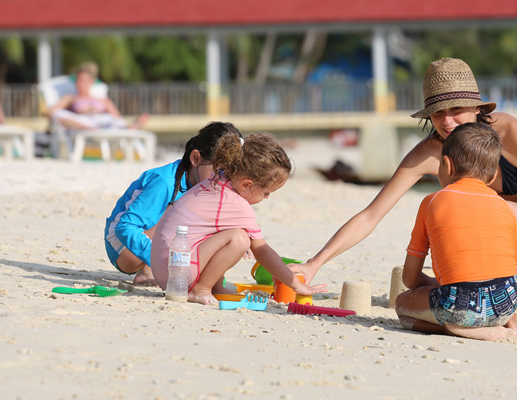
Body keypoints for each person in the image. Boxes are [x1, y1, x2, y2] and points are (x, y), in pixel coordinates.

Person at [293, 58, 517, 324]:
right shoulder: (430, 153)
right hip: (497, 252)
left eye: (456, 110)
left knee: (503, 213)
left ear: (477, 107)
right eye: (437, 113)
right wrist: (313, 264)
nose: (447, 122)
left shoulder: (512, 133)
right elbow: (371, 216)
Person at [150, 132, 327, 305]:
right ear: (246, 184)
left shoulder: (218, 179)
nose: (266, 198)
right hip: (176, 276)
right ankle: (201, 289)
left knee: (229, 233)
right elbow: (262, 251)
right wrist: (295, 284)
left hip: (168, 268)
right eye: (266, 192)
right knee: (239, 239)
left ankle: (215, 286)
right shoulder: (233, 202)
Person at [395, 122, 517, 341]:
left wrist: (444, 282)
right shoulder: (506, 207)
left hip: (459, 304)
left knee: (403, 305)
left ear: (447, 165)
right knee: (496, 290)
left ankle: (457, 329)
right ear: (494, 174)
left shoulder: (431, 202)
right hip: (505, 303)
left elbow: (410, 279)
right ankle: (510, 324)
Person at [105, 122, 241, 286]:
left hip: (152, 236)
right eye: (218, 170)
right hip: (122, 246)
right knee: (184, 209)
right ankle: (149, 269)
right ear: (196, 158)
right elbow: (125, 227)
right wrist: (159, 262)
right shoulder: (165, 182)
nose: (223, 178)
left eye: (229, 171)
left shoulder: (209, 181)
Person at [48, 62, 148, 130]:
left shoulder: (102, 99)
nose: (80, 83)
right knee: (58, 114)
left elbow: (118, 117)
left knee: (113, 120)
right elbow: (52, 113)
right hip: (82, 122)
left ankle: (131, 126)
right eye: (78, 80)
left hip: (101, 120)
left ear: (91, 82)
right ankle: (94, 130)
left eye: (84, 80)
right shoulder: (70, 98)